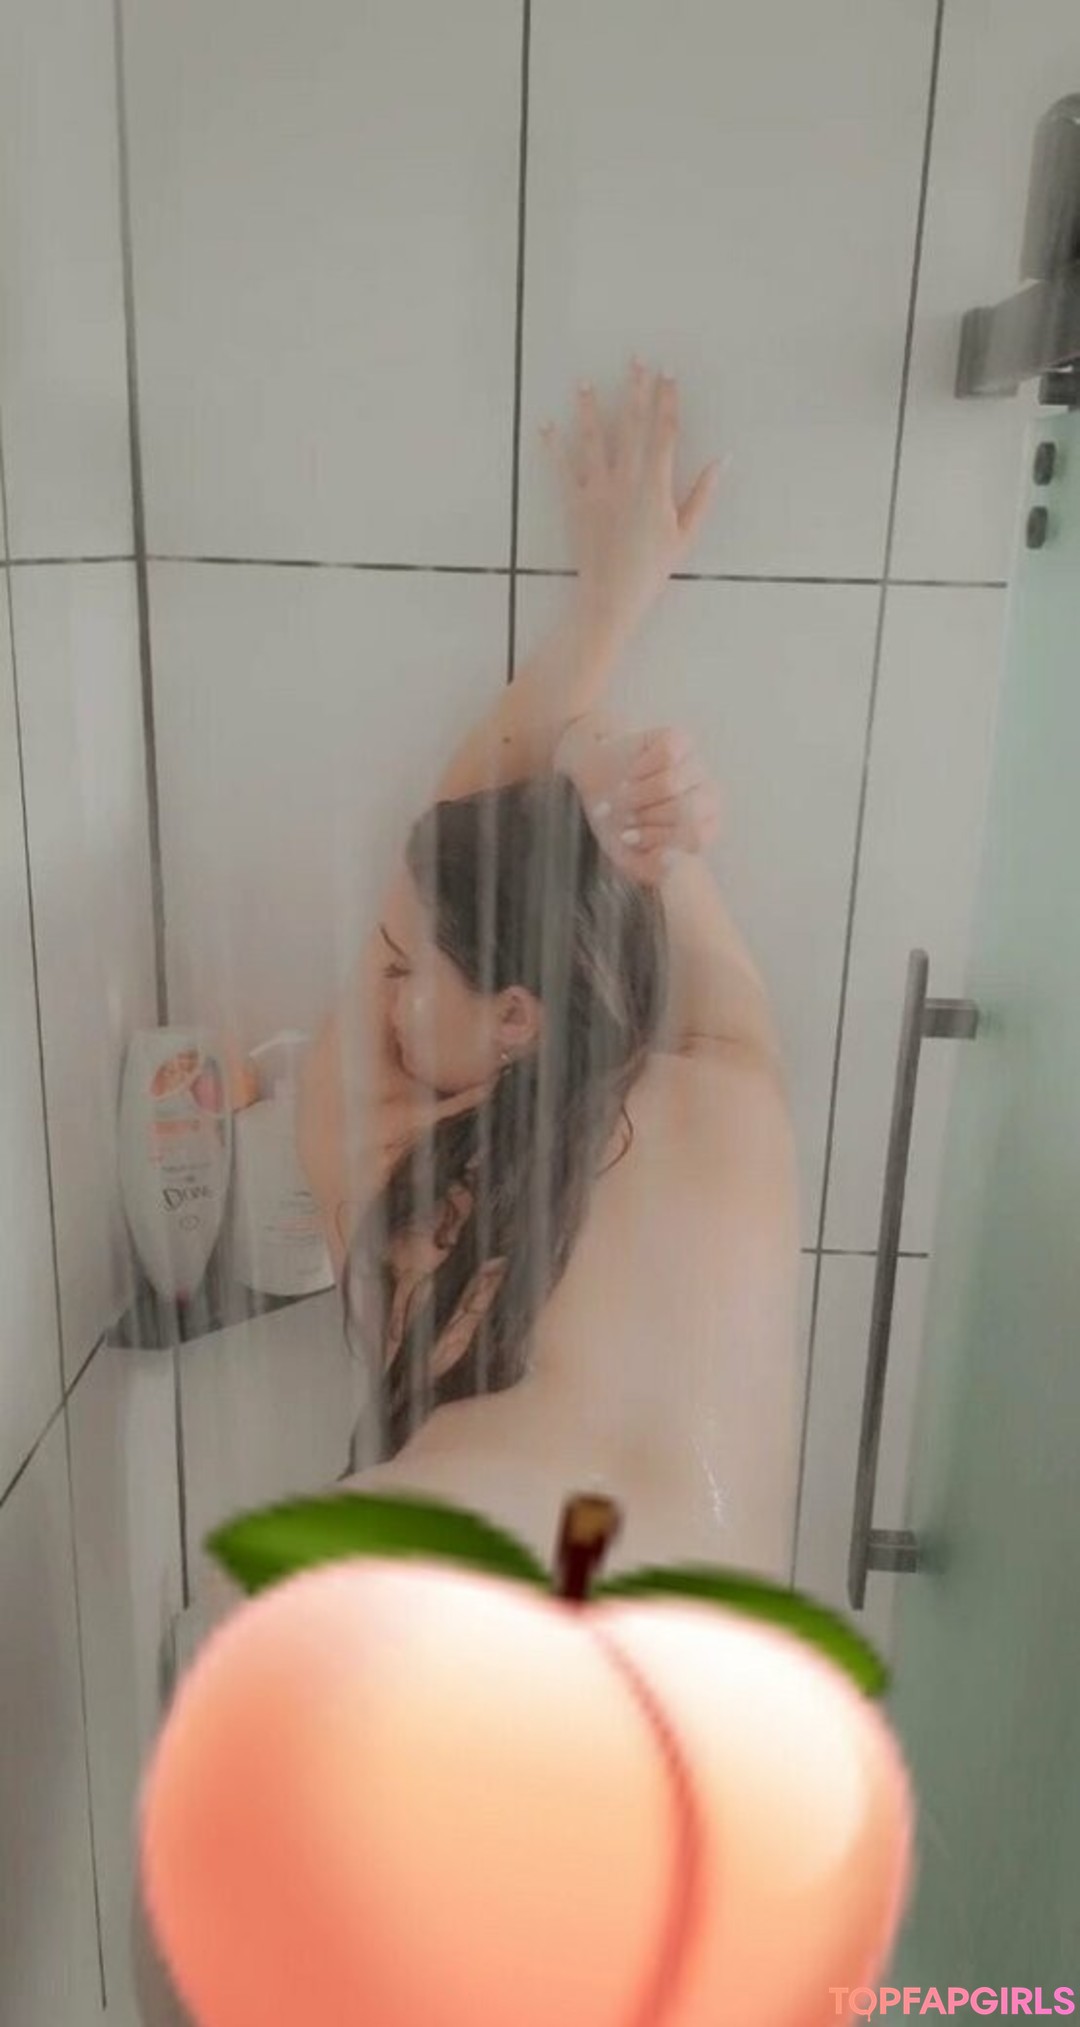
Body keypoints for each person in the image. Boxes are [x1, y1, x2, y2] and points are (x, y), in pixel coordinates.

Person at [297, 360, 802, 1582]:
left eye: (404, 965)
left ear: (516, 1013)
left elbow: (438, 841)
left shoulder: (403, 1168)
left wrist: (598, 654)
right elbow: (507, 860)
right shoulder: (731, 1100)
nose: (384, 984)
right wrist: (628, 790)